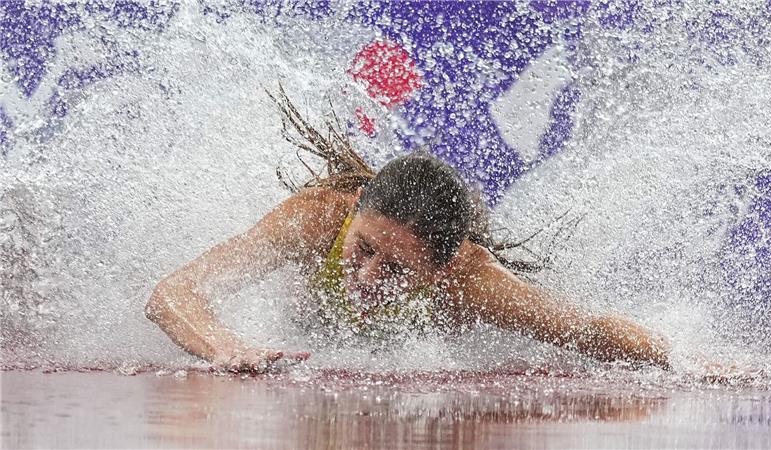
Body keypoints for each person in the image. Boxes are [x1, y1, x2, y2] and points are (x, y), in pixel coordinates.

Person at [145, 91, 670, 373]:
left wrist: (684, 362)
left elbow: (591, 330)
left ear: (443, 268)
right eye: (365, 248)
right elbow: (173, 293)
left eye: (396, 268)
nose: (368, 276)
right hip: (304, 331)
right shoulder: (318, 218)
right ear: (355, 213)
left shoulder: (472, 282)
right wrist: (224, 345)